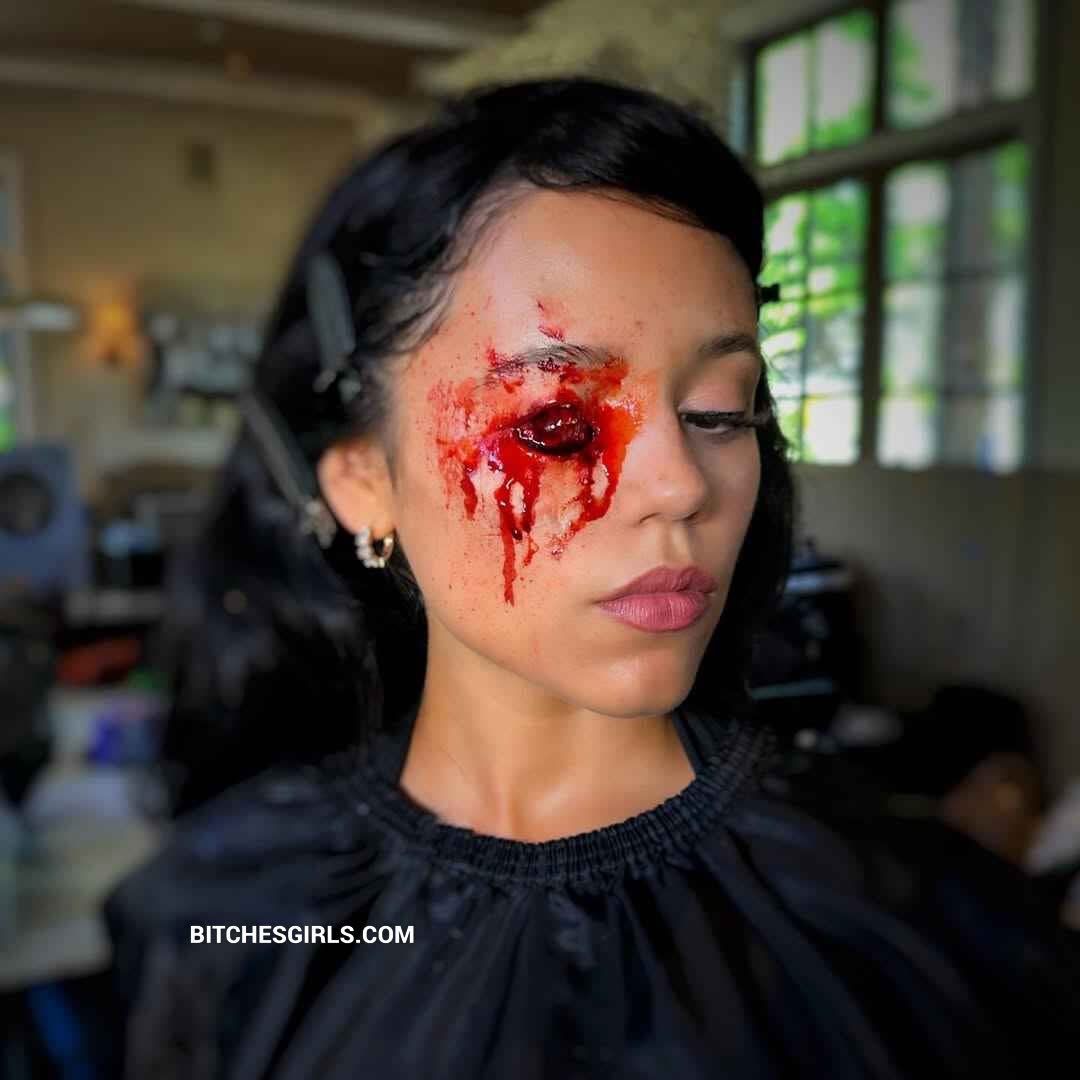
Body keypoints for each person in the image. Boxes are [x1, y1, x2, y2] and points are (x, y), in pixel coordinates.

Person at [103, 78, 1080, 1079]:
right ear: (363, 481)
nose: (681, 483)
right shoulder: (231, 918)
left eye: (719, 411)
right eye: (556, 422)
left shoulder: (917, 932)